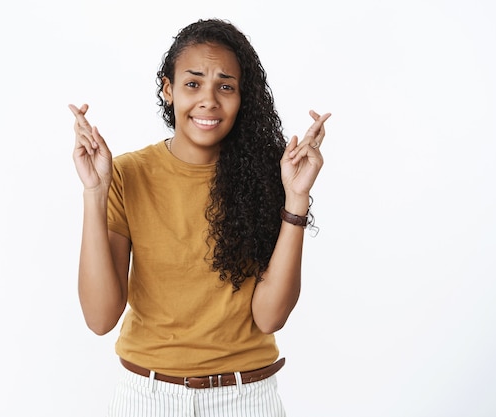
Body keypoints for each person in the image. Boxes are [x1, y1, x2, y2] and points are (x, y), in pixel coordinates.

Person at [69, 18, 330, 417]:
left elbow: (270, 316)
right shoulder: (126, 174)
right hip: (147, 397)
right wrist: (94, 191)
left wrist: (296, 198)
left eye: (226, 86)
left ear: (243, 97)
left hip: (246, 397)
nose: (209, 99)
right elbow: (100, 318)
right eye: (193, 83)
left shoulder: (266, 179)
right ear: (168, 88)